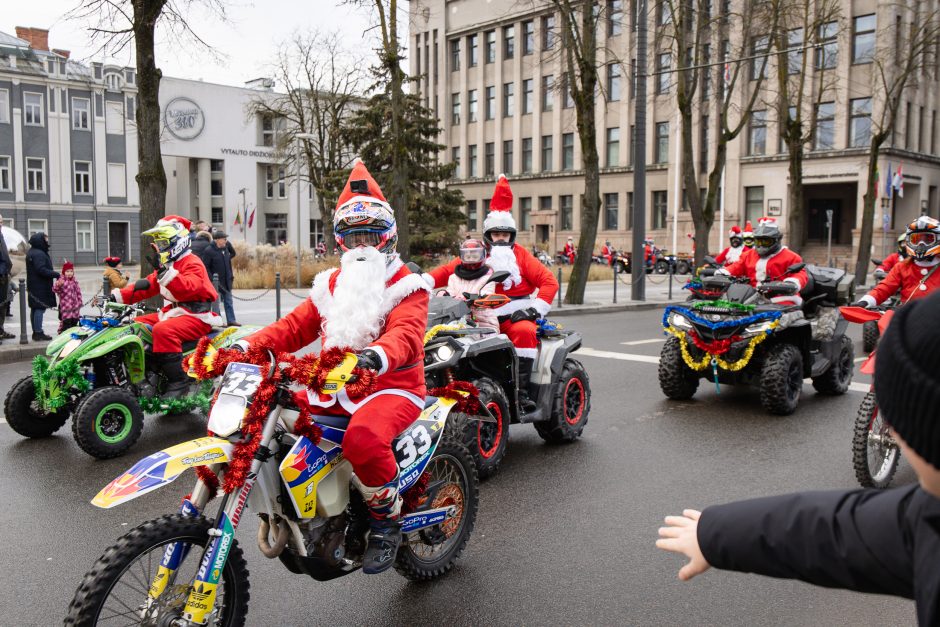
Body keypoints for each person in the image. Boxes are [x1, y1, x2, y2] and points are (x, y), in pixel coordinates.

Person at [656, 290, 940, 626]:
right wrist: (716, 533)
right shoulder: (927, 517)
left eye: (896, 420)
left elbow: (839, 532)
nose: (889, 431)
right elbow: (831, 529)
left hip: (785, 304)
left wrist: (715, 534)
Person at [235, 159, 429, 574]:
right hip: (333, 386)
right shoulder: (332, 284)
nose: (361, 246)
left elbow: (408, 334)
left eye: (370, 237)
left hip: (391, 386)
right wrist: (248, 345)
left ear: (388, 238)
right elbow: (293, 327)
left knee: (362, 439)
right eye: (352, 237)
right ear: (340, 240)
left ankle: (385, 524)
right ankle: (314, 510)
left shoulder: (407, 284)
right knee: (277, 420)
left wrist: (377, 355)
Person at [426, 174, 558, 411]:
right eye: (496, 235)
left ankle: (523, 392)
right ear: (488, 236)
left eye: (505, 235)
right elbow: (448, 270)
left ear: (512, 236)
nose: (500, 240)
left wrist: (532, 310)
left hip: (514, 317)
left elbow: (549, 282)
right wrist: (420, 282)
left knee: (525, 332)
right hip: (477, 316)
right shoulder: (476, 254)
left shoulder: (521, 257)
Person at [112, 215, 222, 398]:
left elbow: (189, 287)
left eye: (163, 244)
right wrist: (116, 296)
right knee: (134, 325)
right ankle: (146, 374)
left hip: (196, 316)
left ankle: (178, 383)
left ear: (177, 242)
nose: (160, 248)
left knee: (163, 331)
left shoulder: (193, 262)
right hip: (176, 313)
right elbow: (147, 285)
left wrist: (166, 273)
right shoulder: (170, 264)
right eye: (158, 244)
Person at [717, 217, 808, 306]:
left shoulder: (791, 257)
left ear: (777, 240)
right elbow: (737, 266)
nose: (761, 245)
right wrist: (724, 273)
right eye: (758, 241)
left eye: (765, 241)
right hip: (750, 297)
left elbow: (800, 274)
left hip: (781, 297)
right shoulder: (748, 255)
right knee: (727, 307)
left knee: (782, 314)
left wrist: (792, 283)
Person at [854, 216, 940, 308]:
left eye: (928, 239)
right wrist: (866, 301)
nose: (921, 244)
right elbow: (885, 287)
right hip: (907, 317)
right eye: (916, 239)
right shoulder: (902, 267)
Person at [440, 238, 499, 332]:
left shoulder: (488, 278)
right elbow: (449, 295)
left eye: (475, 256)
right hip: (456, 321)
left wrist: (471, 297)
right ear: (462, 257)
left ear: (483, 255)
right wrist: (443, 294)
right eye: (467, 257)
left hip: (483, 322)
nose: (471, 259)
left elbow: (487, 294)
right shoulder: (453, 278)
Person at [25, 232, 58, 341]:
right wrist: (56, 274)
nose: (47, 241)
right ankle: (38, 333)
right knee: (39, 308)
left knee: (35, 308)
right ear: (40, 241)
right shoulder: (39, 253)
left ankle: (36, 331)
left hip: (34, 285)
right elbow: (41, 270)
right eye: (45, 239)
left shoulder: (32, 252)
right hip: (40, 285)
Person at [202, 230, 239, 327]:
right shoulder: (209, 250)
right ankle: (218, 322)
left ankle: (231, 320)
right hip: (215, 282)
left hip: (227, 280)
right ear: (217, 240)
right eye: (224, 239)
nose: (226, 241)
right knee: (216, 304)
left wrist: (230, 276)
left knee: (229, 302)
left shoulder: (226, 249)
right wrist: (212, 280)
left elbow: (232, 254)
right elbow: (205, 266)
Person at [53, 261, 83, 333]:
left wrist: (80, 302)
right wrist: (58, 285)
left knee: (74, 323)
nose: (69, 273)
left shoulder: (74, 281)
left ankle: (73, 337)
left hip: (75, 308)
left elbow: (78, 292)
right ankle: (63, 335)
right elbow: (55, 289)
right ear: (64, 272)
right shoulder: (61, 280)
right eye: (67, 271)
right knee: (66, 324)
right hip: (66, 307)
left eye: (71, 271)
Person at [0, 214, 13, 340]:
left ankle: (1, 330)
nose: (1, 224)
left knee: (2, 305)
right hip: (1, 275)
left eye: (2, 221)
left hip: (3, 274)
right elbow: (4, 258)